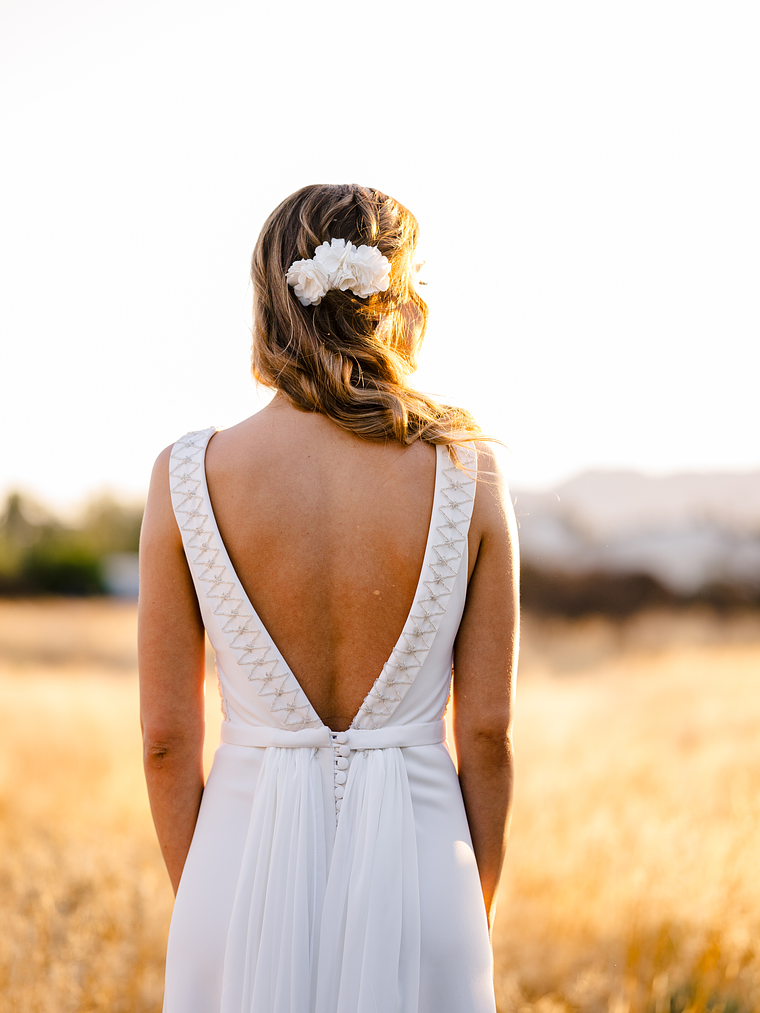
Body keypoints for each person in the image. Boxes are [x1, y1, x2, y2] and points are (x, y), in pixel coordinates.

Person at [138, 183, 519, 1013]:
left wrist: (209, 898)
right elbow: (487, 732)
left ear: (270, 301)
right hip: (426, 877)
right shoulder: (469, 470)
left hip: (234, 874)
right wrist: (469, 905)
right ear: (397, 300)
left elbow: (166, 740)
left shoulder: (186, 476)